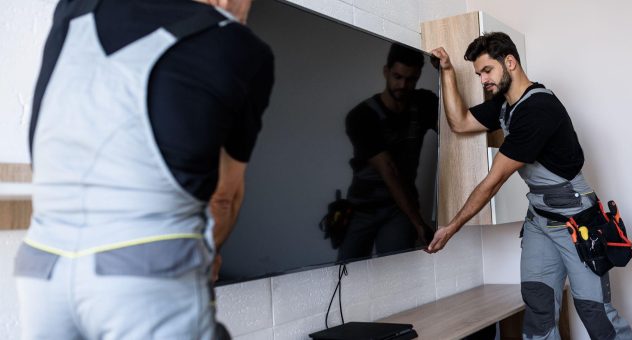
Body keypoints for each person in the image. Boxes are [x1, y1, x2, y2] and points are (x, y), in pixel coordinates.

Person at [13, 0, 273, 339]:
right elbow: (223, 197)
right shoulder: (239, 45)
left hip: (42, 267)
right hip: (145, 273)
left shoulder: (74, 8)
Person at [427, 32, 632, 339]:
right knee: (538, 309)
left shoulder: (537, 110)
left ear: (509, 62)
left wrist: (452, 227)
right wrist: (446, 70)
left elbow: (492, 182)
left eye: (487, 71)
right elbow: (459, 122)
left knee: (595, 313)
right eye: (479, 73)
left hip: (575, 217)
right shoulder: (504, 106)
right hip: (539, 216)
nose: (483, 79)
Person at [337, 43, 437, 261]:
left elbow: (455, 129)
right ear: (386, 71)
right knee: (345, 270)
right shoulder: (361, 116)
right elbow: (389, 170)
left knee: (399, 268)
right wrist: (418, 222)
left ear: (419, 75)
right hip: (361, 208)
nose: (402, 84)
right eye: (397, 76)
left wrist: (444, 71)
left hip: (399, 210)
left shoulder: (424, 104)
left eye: (410, 79)